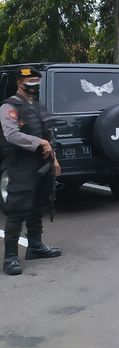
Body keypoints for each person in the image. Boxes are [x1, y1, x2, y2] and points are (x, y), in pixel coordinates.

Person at [1, 67, 62, 276]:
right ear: (20, 82)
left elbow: (48, 134)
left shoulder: (37, 106)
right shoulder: (10, 106)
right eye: (30, 79)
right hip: (20, 165)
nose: (34, 83)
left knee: (37, 206)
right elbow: (11, 135)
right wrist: (40, 142)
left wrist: (54, 159)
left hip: (41, 165)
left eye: (36, 79)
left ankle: (35, 246)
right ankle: (10, 258)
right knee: (17, 210)